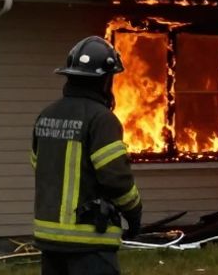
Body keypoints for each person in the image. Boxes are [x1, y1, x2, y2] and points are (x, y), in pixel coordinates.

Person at [32, 36, 143, 275]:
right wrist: (134, 212)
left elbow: (39, 165)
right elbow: (116, 178)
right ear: (105, 80)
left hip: (49, 240)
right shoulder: (101, 119)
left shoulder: (46, 115)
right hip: (89, 241)